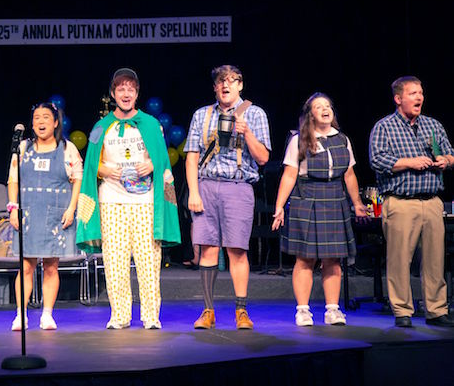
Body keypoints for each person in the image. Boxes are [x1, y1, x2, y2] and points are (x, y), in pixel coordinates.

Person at [76, 68, 180, 329]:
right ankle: (120, 315)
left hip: (145, 202)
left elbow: (164, 162)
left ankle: (150, 316)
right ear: (113, 94)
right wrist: (105, 169)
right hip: (112, 200)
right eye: (120, 89)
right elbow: (90, 166)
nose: (125, 93)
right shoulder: (101, 127)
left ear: (137, 93)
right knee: (115, 260)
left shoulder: (151, 124)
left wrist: (153, 165)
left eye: (130, 89)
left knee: (148, 259)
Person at [184, 64, 271, 330]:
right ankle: (208, 311)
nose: (225, 85)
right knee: (208, 249)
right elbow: (191, 156)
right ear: (215, 87)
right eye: (221, 81)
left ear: (240, 85)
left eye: (231, 81)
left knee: (236, 250)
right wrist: (194, 193)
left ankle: (241, 311)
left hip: (238, 186)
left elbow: (264, 158)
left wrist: (247, 133)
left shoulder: (255, 114)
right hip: (207, 185)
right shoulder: (202, 115)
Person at [271, 92, 367, 326]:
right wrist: (279, 206)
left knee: (332, 259)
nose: (325, 109)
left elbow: (350, 174)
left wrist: (357, 203)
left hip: (335, 199)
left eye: (328, 106)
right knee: (305, 259)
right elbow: (289, 174)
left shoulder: (342, 139)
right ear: (310, 115)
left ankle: (332, 310)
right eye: (318, 106)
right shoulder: (300, 140)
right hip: (308, 199)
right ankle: (303, 310)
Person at [369, 76, 454, 328]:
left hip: (432, 201)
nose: (419, 97)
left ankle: (436, 310)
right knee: (399, 259)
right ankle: (402, 310)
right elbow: (377, 160)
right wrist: (411, 162)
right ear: (398, 99)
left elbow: (450, 153)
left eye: (421, 93)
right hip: (401, 201)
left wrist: (445, 161)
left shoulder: (433, 125)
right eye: (413, 93)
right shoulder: (384, 127)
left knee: (435, 260)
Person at [7, 102, 83, 330]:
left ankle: (47, 314)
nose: (41, 122)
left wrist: (71, 209)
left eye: (46, 117)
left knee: (51, 266)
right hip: (28, 214)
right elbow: (13, 179)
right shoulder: (22, 148)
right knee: (26, 266)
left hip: (55, 213)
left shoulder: (67, 148)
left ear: (56, 122)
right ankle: (21, 314)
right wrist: (13, 209)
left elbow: (77, 178)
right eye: (37, 118)